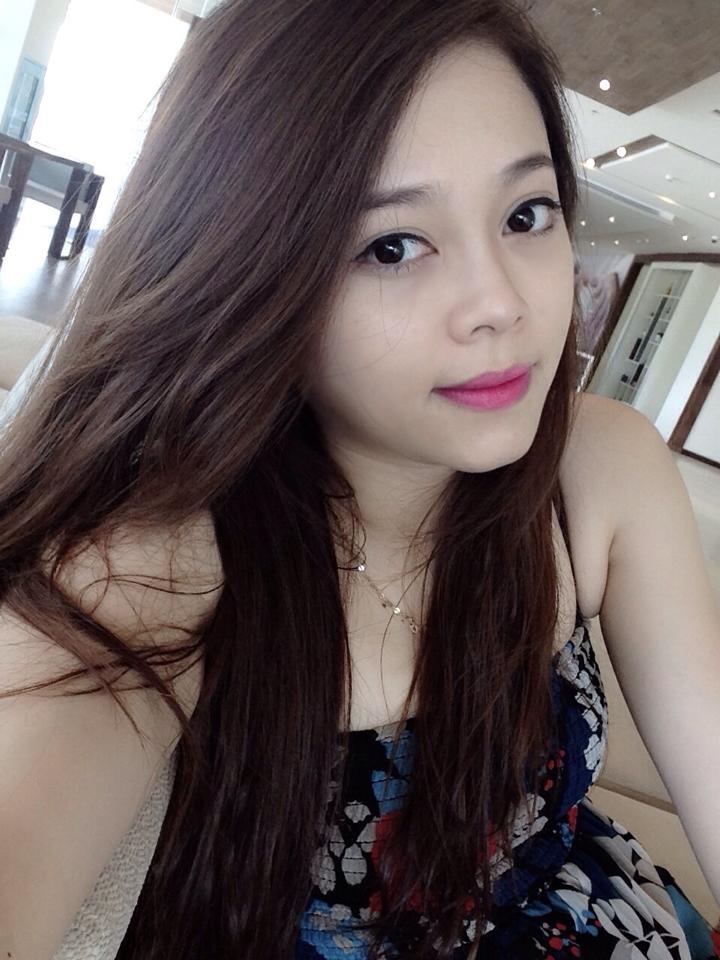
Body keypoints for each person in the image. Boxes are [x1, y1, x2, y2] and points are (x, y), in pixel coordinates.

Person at [0, 0, 718, 957]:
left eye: (525, 214)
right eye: (392, 245)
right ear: (249, 267)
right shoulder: (157, 556)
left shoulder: (601, 467)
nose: (500, 303)